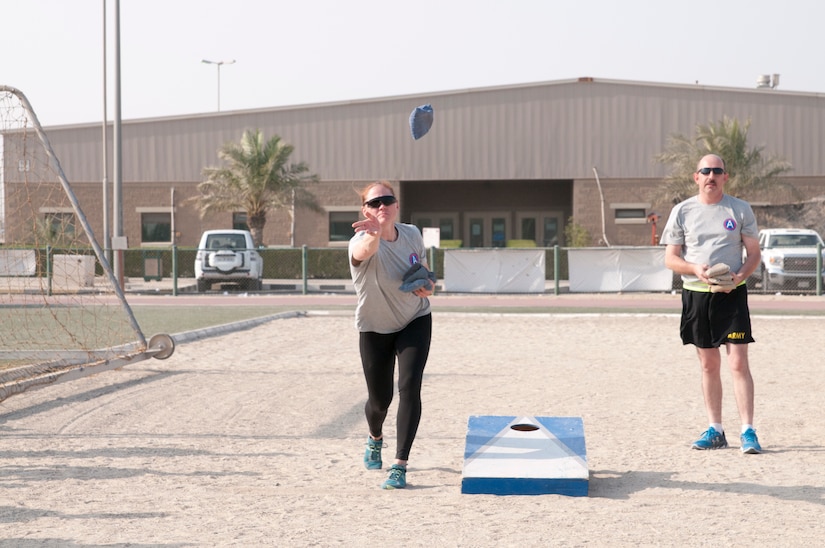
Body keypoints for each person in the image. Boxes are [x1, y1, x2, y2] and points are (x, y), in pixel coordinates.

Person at [661, 154, 763, 454]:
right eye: (705, 171)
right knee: (708, 365)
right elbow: (671, 259)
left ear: (725, 177)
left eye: (717, 171)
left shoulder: (739, 209)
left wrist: (740, 275)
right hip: (697, 295)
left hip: (732, 296)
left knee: (738, 362)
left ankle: (748, 431)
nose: (711, 176)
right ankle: (715, 430)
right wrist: (695, 269)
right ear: (696, 177)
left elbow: (754, 253)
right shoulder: (682, 211)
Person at [348, 181, 435, 489]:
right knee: (379, 400)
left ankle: (400, 464)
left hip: (415, 318)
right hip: (374, 327)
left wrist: (429, 285)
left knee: (410, 386)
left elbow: (422, 269)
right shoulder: (360, 241)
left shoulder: (412, 234)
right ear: (365, 210)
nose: (381, 206)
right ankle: (375, 438)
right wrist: (373, 233)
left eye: (387, 200)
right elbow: (364, 251)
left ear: (397, 205)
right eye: (374, 203)